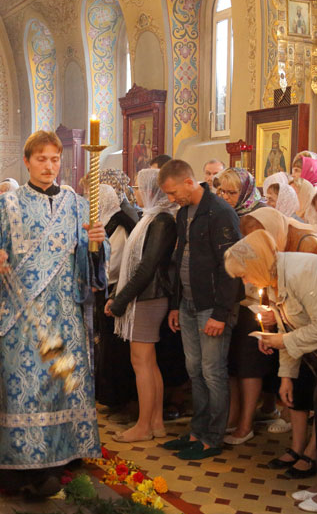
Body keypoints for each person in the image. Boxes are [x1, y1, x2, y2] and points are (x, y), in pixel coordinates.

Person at [0, 131, 107, 496]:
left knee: (61, 386)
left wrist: (97, 245)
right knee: (25, 389)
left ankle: (61, 458)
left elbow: (91, 263)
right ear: (28, 161)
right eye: (42, 159)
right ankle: (20, 469)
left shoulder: (78, 205)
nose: (49, 166)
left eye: (55, 160)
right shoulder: (6, 205)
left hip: (65, 314)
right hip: (23, 314)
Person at [224, 230, 317, 512]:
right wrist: (286, 376)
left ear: (256, 265)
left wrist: (282, 341)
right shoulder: (276, 279)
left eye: (245, 275)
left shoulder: (301, 272)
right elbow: (287, 328)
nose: (245, 282)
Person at [158, 159, 241, 460]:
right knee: (194, 371)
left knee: (213, 372)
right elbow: (180, 258)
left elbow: (232, 265)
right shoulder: (183, 214)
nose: (170, 199)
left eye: (172, 192)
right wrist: (175, 305)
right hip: (188, 304)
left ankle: (212, 438)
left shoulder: (220, 212)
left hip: (212, 306)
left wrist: (221, 313)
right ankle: (197, 432)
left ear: (189, 182)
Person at [104, 169, 177, 442]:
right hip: (147, 296)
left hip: (148, 296)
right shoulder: (152, 218)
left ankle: (144, 426)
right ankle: (156, 423)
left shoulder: (161, 221)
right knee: (149, 362)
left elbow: (147, 267)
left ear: (150, 190)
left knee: (141, 362)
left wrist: (120, 300)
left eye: (138, 187)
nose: (134, 191)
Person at [215, 168, 278, 446]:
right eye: (222, 191)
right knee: (232, 365)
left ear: (245, 192)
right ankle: (233, 416)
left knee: (249, 365)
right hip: (232, 300)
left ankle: (246, 424)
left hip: (255, 300)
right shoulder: (224, 215)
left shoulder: (258, 217)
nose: (225, 197)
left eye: (231, 192)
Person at [94, 183, 137, 416]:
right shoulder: (102, 220)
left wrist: (96, 275)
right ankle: (108, 395)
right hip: (102, 289)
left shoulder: (120, 221)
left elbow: (117, 258)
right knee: (106, 345)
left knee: (115, 347)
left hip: (115, 289)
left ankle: (119, 397)